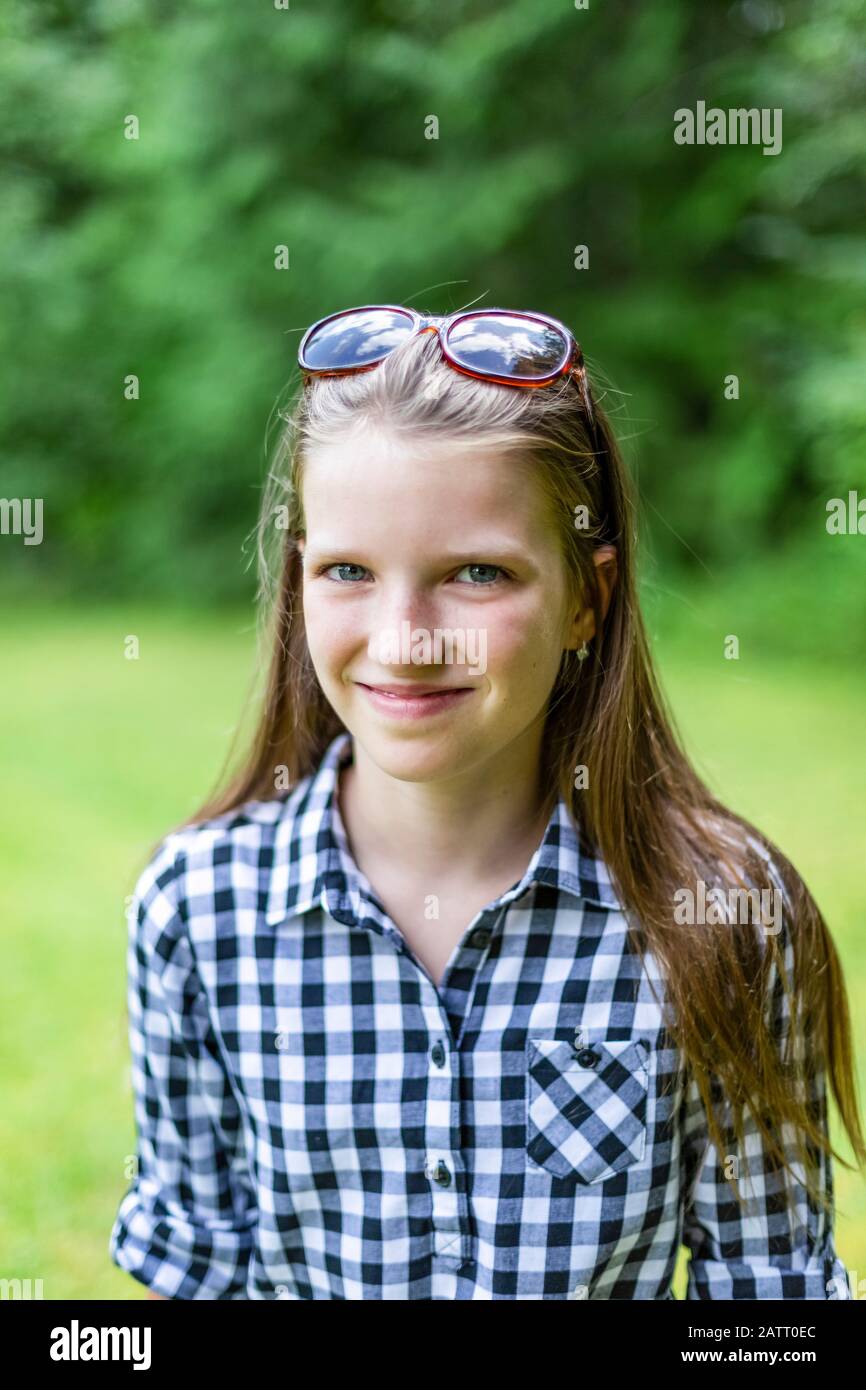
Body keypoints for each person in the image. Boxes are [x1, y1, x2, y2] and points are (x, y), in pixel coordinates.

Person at [109, 303, 864, 1299]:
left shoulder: (720, 909)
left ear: (585, 598)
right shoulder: (199, 909)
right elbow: (194, 1281)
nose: (404, 639)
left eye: (475, 573)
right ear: (297, 583)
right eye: (348, 571)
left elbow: (771, 1301)